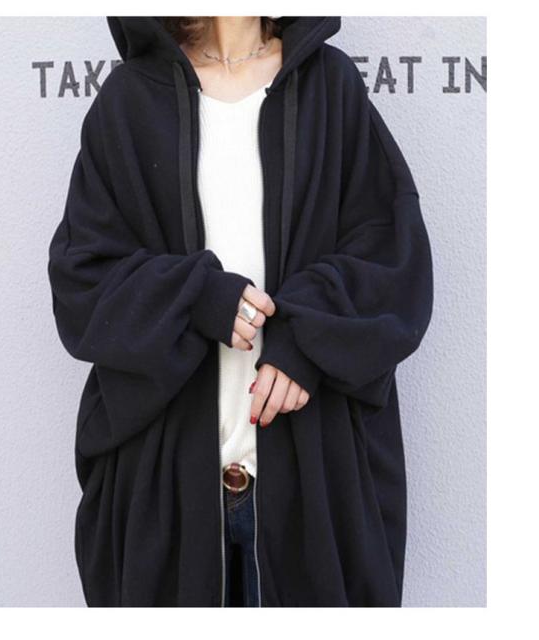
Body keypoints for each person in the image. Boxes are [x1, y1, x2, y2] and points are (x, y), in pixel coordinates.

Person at [47, 16, 433, 607]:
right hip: (163, 482)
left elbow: (392, 255)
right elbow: (83, 280)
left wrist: (305, 340)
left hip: (316, 481)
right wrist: (197, 298)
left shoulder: (329, 87)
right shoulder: (128, 100)